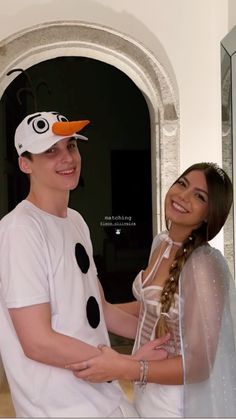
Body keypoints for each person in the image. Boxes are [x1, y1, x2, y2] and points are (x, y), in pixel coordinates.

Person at [0, 111, 168, 417]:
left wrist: (168, 334)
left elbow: (99, 311)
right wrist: (127, 366)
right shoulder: (20, 230)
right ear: (25, 164)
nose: (67, 158)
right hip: (60, 407)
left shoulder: (75, 220)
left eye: (71, 146)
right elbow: (37, 341)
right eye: (50, 150)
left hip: (101, 395)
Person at [66, 162, 236, 417]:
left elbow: (200, 365)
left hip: (177, 401)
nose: (183, 196)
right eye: (182, 184)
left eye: (199, 196)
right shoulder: (162, 243)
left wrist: (125, 367)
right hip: (148, 389)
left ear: (210, 214)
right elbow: (153, 312)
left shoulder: (203, 265)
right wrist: (100, 306)